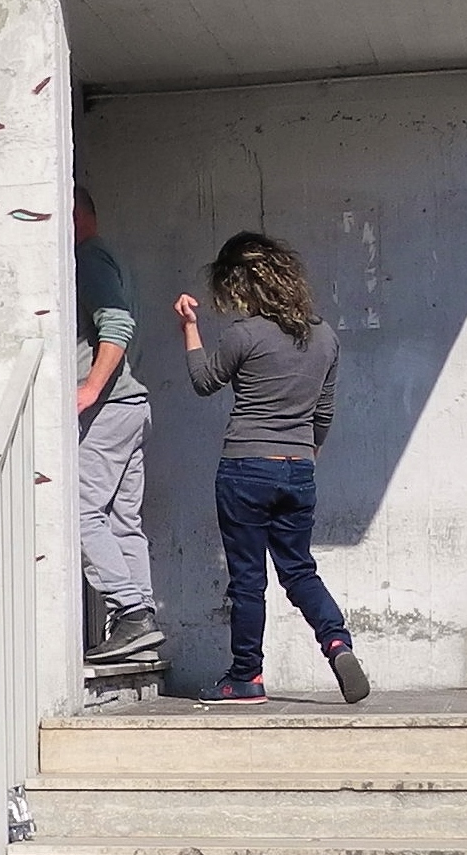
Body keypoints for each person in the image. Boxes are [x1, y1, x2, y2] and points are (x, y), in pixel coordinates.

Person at [177, 232, 369, 707]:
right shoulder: (325, 336)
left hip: (246, 467)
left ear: (243, 286)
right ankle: (337, 642)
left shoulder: (244, 334)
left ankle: (246, 677)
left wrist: (189, 326)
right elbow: (324, 412)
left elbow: (204, 381)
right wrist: (306, 454)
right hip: (298, 468)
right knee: (299, 570)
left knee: (248, 579)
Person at [73, 187, 159, 665]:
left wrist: (88, 389)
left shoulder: (88, 258)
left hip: (108, 410)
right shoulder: (109, 258)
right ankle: (140, 626)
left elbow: (117, 324)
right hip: (130, 407)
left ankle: (131, 612)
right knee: (124, 521)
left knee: (80, 512)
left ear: (73, 216)